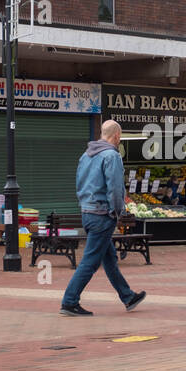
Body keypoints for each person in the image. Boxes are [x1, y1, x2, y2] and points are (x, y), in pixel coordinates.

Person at [60, 120, 146, 316]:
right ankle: (69, 301)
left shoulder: (86, 155)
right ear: (116, 136)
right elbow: (115, 188)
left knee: (109, 259)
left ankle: (128, 296)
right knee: (90, 261)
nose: (120, 140)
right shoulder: (111, 156)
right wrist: (117, 212)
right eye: (120, 137)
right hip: (102, 215)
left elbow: (79, 183)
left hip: (88, 212)